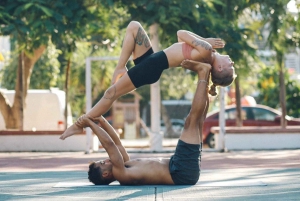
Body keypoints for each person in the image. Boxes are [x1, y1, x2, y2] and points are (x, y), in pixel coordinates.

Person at [60, 20, 235, 140]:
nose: (231, 61)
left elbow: (181, 33)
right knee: (134, 26)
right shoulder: (206, 52)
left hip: (151, 68)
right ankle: (121, 67)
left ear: (219, 69)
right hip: (151, 59)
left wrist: (205, 40)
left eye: (230, 65)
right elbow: (180, 37)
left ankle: (80, 123)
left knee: (111, 93)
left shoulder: (206, 51)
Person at [74, 60, 211, 185]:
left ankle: (208, 79)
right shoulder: (122, 174)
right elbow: (109, 145)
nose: (107, 160)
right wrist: (91, 124)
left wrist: (101, 119)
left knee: (198, 121)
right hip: (181, 172)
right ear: (105, 174)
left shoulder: (126, 164)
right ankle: (203, 73)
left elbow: (116, 142)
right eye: (103, 163)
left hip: (178, 165)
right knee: (190, 122)